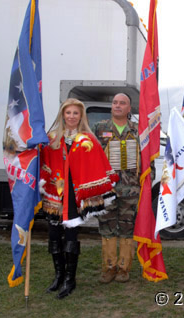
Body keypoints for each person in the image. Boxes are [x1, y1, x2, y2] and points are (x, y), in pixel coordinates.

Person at [40, 98, 116, 299]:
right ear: (62, 115)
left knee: (71, 236)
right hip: (55, 194)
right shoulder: (52, 138)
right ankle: (58, 276)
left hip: (75, 195)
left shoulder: (88, 140)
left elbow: (99, 164)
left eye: (75, 113)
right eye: (68, 113)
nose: (72, 117)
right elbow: (43, 162)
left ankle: (70, 280)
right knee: (54, 235)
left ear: (81, 116)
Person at [94, 93, 151, 283]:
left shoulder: (138, 131)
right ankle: (109, 268)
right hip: (106, 190)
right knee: (107, 228)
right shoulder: (99, 129)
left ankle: (124, 268)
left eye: (122, 103)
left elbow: (148, 159)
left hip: (131, 190)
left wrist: (148, 182)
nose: (117, 106)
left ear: (129, 108)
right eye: (115, 102)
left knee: (127, 229)